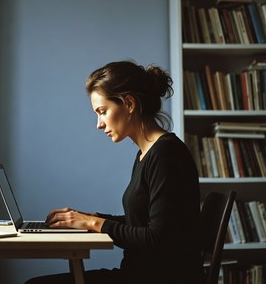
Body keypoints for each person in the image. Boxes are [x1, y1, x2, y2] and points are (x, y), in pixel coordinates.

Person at [25, 60, 203, 284]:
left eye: (102, 111)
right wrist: (90, 218)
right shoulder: (146, 154)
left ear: (129, 103)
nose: (99, 124)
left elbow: (158, 238)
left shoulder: (166, 154)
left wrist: (93, 224)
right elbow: (140, 222)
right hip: (139, 274)